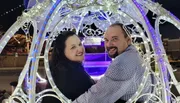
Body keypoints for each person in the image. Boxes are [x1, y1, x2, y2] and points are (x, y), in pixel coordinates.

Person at [73, 22, 153, 103]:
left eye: (115, 39)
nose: (108, 44)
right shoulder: (132, 55)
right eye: (106, 40)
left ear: (128, 40)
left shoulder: (122, 63)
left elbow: (96, 97)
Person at [42, 31, 95, 103]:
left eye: (80, 44)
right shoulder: (70, 73)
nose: (80, 49)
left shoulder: (59, 69)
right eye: (73, 47)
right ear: (62, 51)